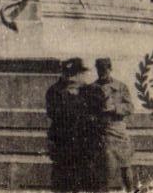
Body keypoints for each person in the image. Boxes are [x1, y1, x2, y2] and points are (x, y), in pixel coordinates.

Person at [84, 58, 134, 192]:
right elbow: (86, 111)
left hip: (119, 130)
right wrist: (95, 117)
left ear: (110, 68)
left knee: (126, 166)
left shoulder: (121, 86)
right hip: (103, 131)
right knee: (106, 169)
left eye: (104, 69)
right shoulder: (91, 89)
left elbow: (130, 107)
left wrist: (115, 108)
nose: (102, 72)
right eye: (99, 69)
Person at [45, 58, 93, 192]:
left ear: (80, 74)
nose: (71, 77)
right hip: (62, 139)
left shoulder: (88, 91)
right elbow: (54, 114)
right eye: (68, 74)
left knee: (81, 178)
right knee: (61, 178)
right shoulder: (54, 91)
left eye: (75, 73)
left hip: (82, 140)